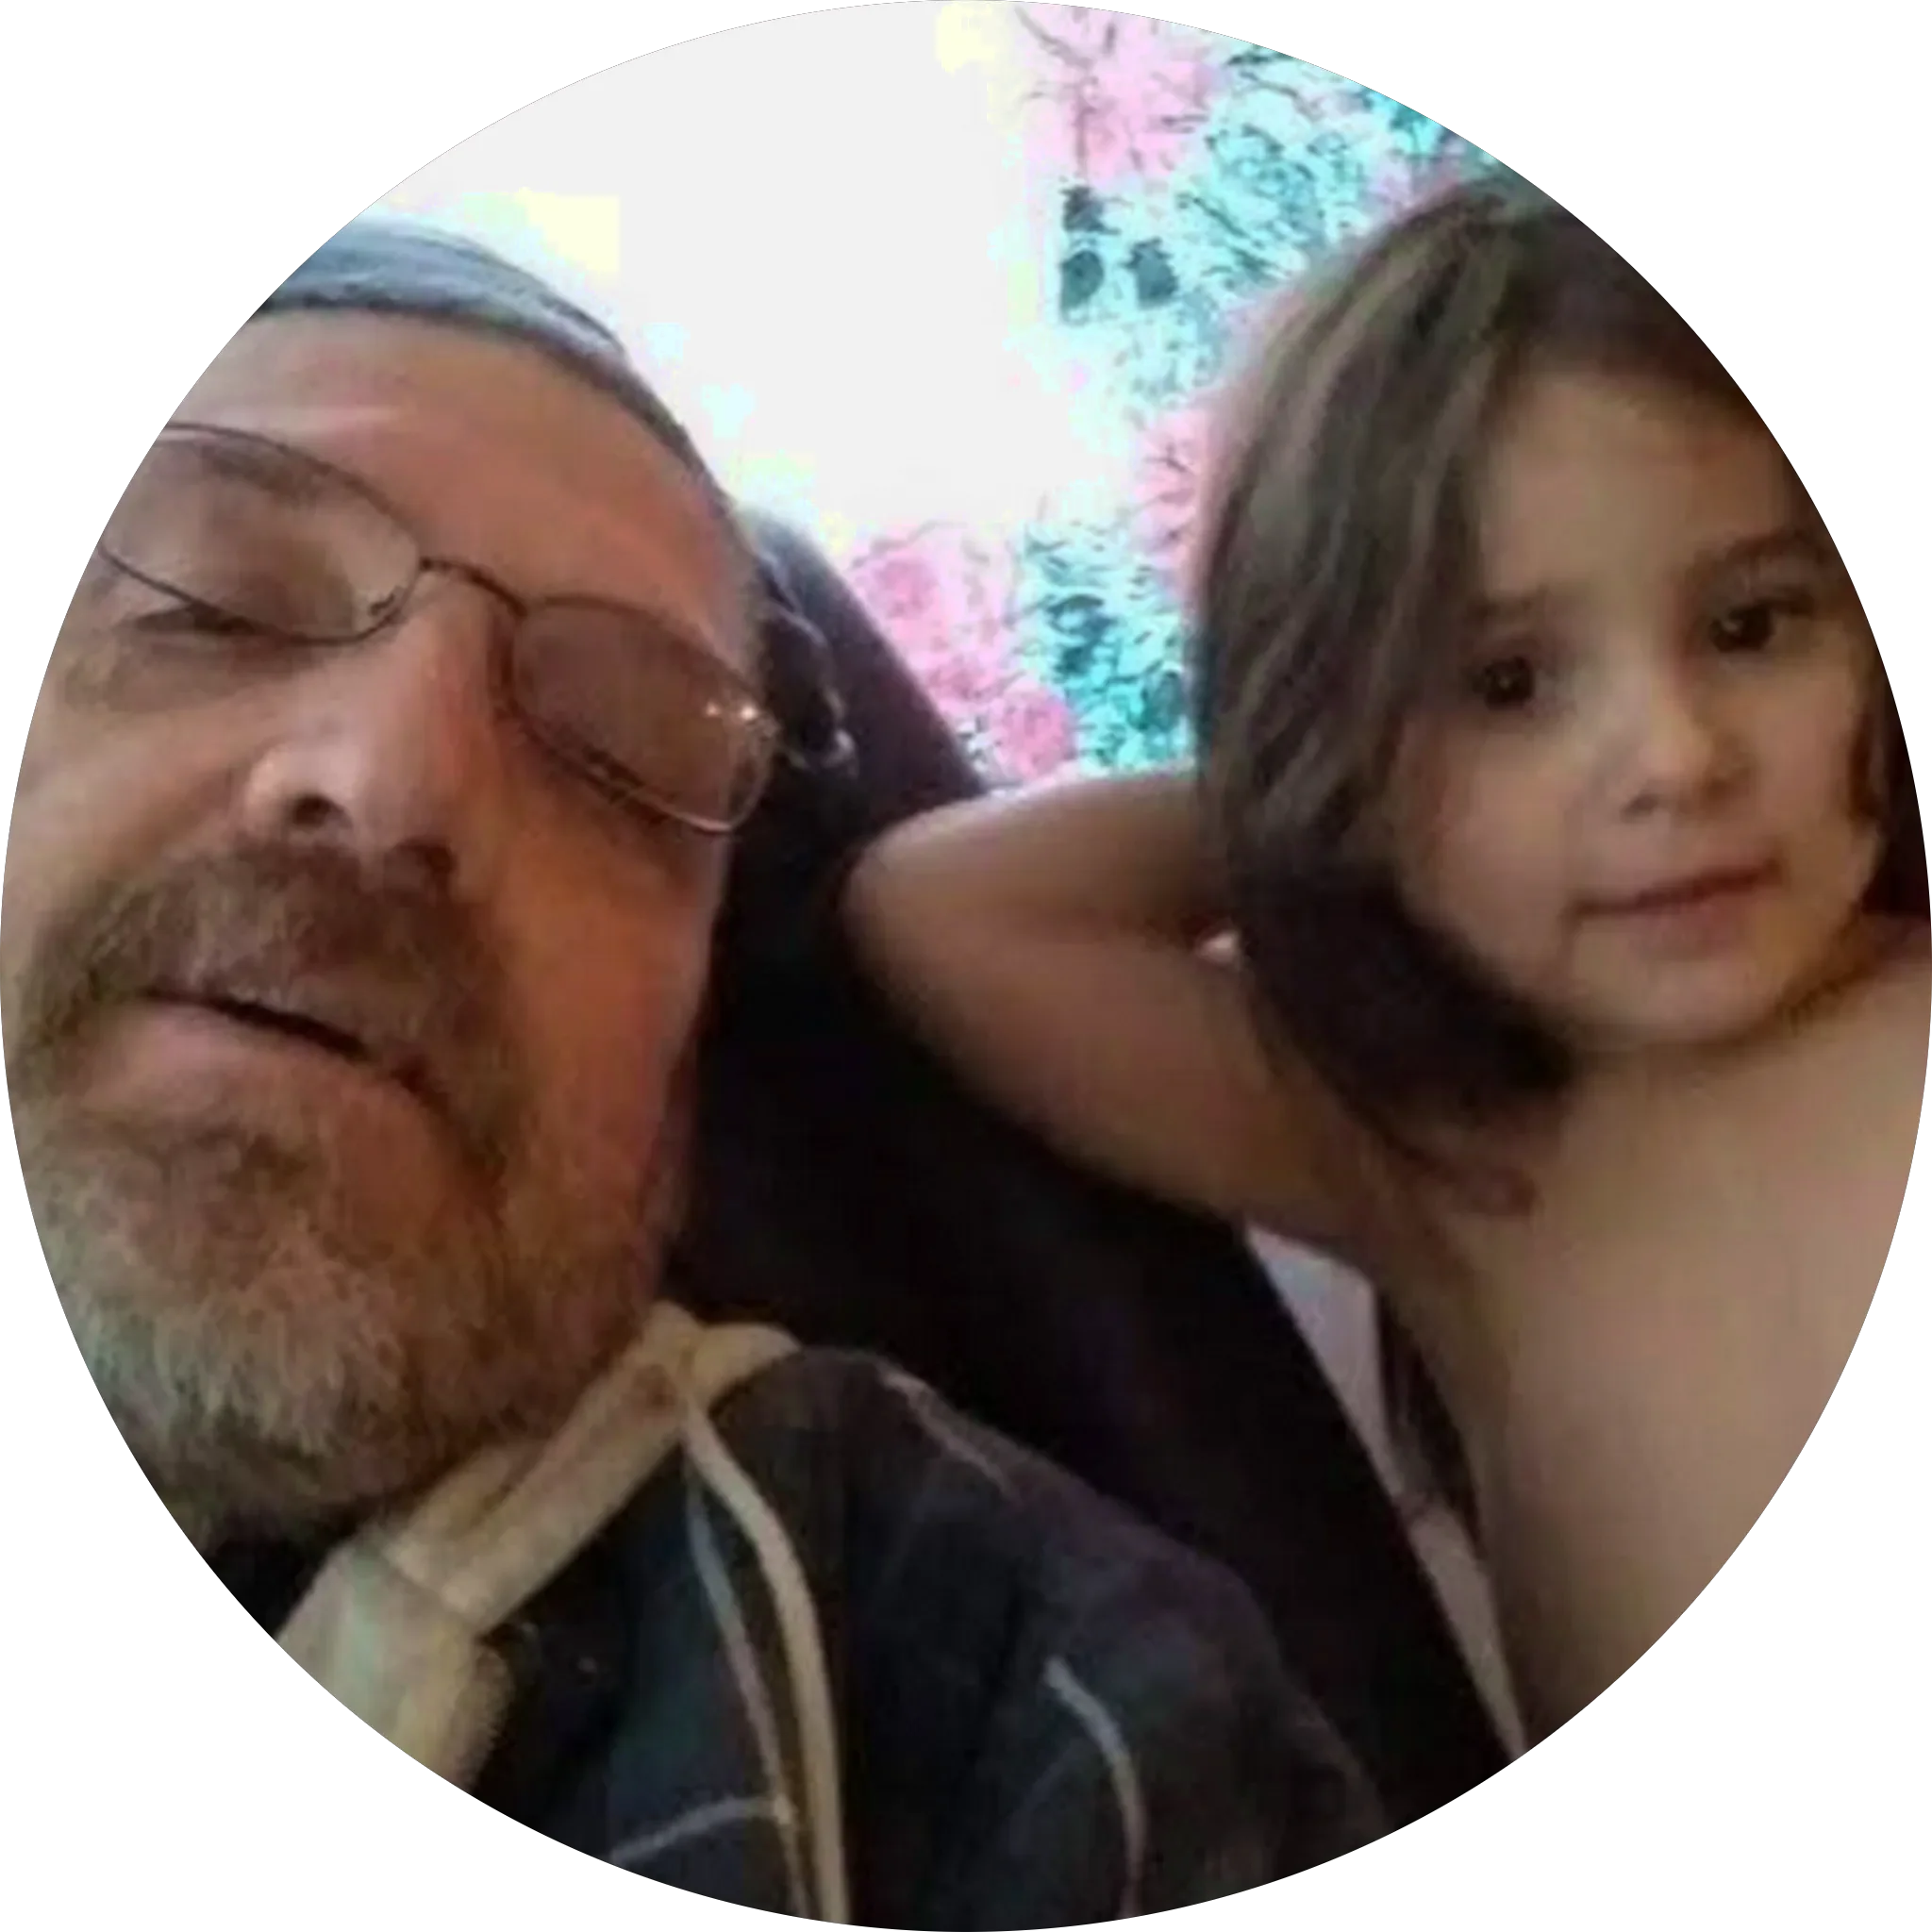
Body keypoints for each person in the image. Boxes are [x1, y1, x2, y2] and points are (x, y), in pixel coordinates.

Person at [1, 221, 1383, 1924]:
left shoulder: (1004, 1715)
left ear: (692, 1034)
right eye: (219, 598)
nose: (392, 779)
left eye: (616, 756)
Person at [844, 178, 1930, 1747]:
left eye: (1753, 627)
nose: (1678, 757)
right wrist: (1333, 800)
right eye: (1506, 685)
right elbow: (940, 916)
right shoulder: (1440, 1158)